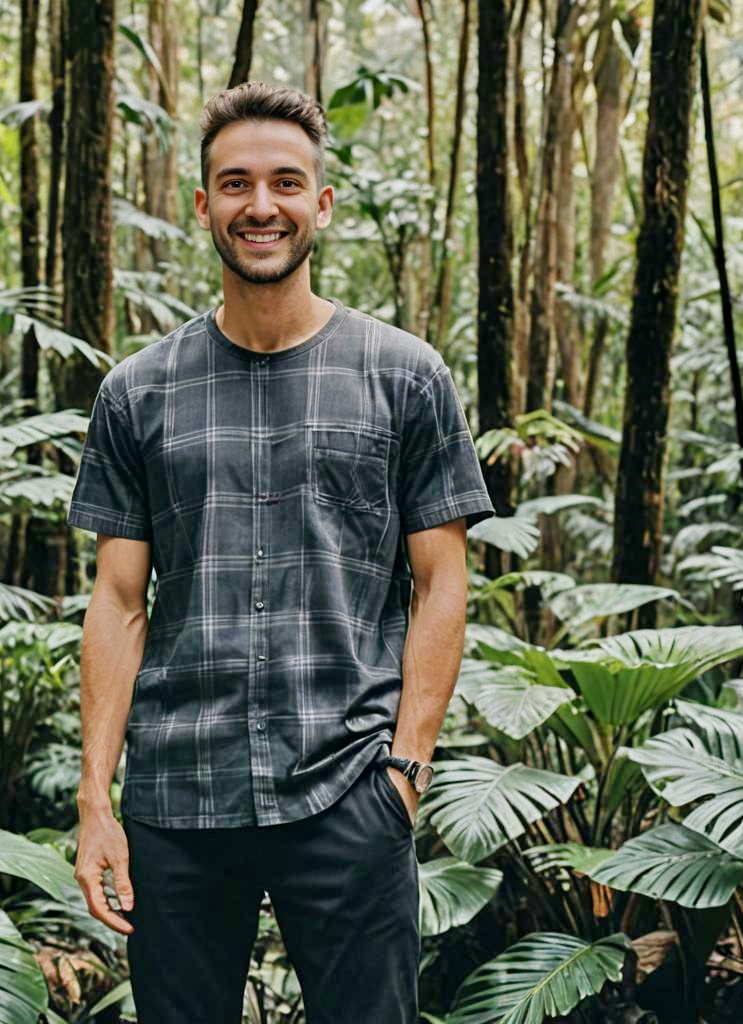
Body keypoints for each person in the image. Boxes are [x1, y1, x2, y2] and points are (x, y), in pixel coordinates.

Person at [67, 81, 495, 1024]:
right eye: (236, 184)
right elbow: (118, 601)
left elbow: (441, 581)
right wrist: (97, 800)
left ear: (322, 204)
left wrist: (405, 772)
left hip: (348, 786)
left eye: (286, 183)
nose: (261, 206)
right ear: (204, 206)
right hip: (178, 797)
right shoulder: (138, 392)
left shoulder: (404, 376)